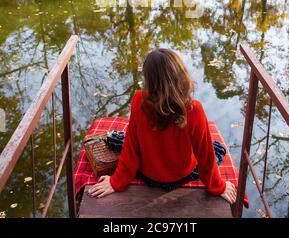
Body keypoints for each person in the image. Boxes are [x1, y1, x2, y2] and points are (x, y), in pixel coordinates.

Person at [88, 48, 237, 204]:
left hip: (148, 177)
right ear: (181, 75)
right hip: (181, 176)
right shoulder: (194, 110)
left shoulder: (139, 100)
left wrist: (116, 182)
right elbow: (205, 158)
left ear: (149, 80)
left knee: (122, 139)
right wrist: (218, 186)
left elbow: (131, 148)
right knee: (217, 148)